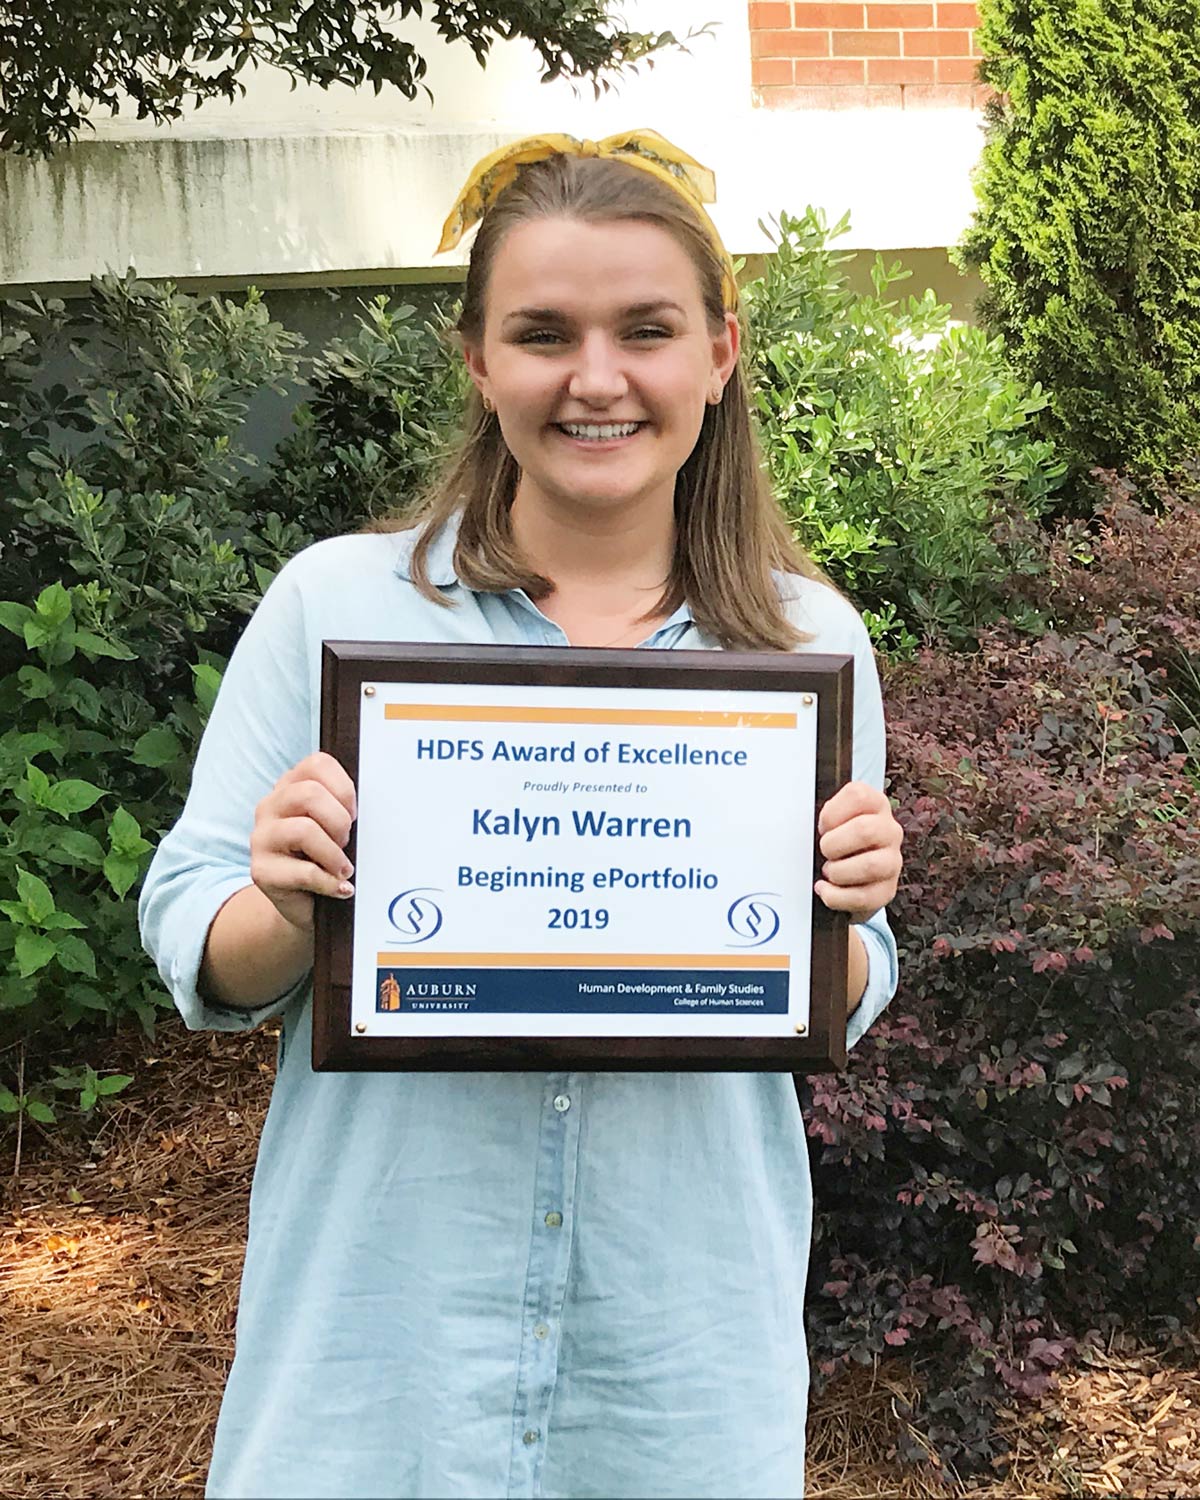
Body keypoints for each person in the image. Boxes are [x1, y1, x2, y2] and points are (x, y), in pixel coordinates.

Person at [139, 129, 904, 1500]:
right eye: (543, 333)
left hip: (674, 1365)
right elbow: (194, 925)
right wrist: (291, 903)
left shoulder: (805, 641)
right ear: (478, 361)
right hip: (380, 1363)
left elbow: (835, 993)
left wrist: (843, 907)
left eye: (647, 331)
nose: (596, 379)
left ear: (718, 356)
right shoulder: (335, 608)